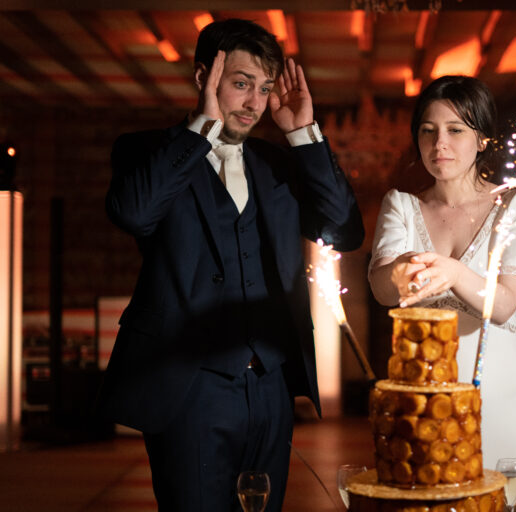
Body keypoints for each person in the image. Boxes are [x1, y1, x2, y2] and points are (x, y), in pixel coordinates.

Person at [97, 19, 363, 512]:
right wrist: (202, 127)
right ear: (205, 77)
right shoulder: (145, 151)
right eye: (242, 83)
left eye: (264, 88)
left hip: (270, 385)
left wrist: (303, 134)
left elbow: (345, 230)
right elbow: (133, 213)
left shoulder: (277, 162)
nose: (255, 102)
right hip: (188, 385)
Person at [368, 75, 516, 492]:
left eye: (455, 130)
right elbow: (382, 290)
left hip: (504, 397)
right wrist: (402, 270)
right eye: (427, 131)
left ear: (483, 139)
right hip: (425, 402)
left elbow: (502, 305)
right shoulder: (401, 205)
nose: (439, 144)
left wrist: (453, 273)